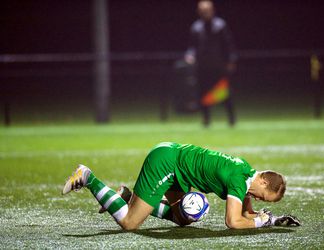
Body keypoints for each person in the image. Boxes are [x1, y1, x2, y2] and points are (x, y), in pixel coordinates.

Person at [62, 142, 300, 230]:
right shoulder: (239, 181)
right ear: (264, 181)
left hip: (176, 164)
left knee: (183, 218)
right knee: (129, 223)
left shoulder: (246, 173)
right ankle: (87, 177)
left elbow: (247, 213)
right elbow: (234, 221)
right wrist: (260, 221)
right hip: (166, 164)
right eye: (263, 197)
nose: (258, 201)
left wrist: (272, 219)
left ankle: (127, 197)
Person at [185, 0, 237, 127]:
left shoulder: (220, 25)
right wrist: (190, 55)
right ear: (199, 12)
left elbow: (228, 45)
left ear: (212, 10)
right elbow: (192, 46)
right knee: (203, 94)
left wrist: (231, 60)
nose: (205, 13)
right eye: (202, 11)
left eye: (207, 10)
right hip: (203, 67)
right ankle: (206, 120)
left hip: (218, 66)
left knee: (223, 93)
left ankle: (231, 119)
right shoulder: (196, 27)